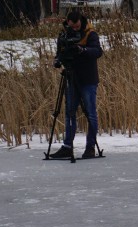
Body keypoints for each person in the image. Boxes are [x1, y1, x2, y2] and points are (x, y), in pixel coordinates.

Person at [48, 11, 103, 160]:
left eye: (77, 25)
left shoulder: (90, 33)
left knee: (90, 113)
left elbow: (98, 51)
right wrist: (58, 60)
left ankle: (90, 147)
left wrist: (82, 50)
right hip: (71, 78)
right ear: (68, 23)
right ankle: (67, 147)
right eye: (72, 26)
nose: (76, 28)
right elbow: (60, 52)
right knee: (69, 113)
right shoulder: (65, 34)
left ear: (81, 21)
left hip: (88, 79)